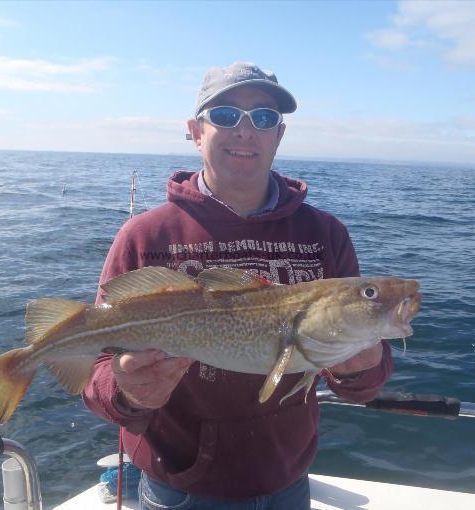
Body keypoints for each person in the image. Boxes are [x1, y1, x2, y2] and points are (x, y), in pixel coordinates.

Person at [83, 61, 393, 509]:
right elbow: (96, 375)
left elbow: (360, 385)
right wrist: (126, 391)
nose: (246, 131)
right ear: (196, 131)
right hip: (180, 487)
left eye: (263, 118)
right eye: (226, 115)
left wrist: (360, 368)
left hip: (288, 481)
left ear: (279, 135)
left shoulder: (326, 235)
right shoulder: (145, 237)